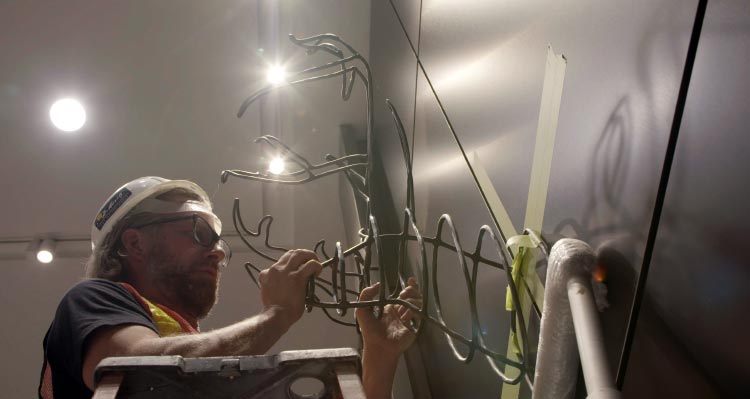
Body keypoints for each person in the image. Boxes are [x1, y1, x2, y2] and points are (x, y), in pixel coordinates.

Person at [38, 176, 421, 399]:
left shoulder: (201, 362)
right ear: (135, 243)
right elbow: (139, 370)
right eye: (199, 232)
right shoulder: (92, 300)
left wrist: (380, 356)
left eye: (218, 244)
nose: (217, 254)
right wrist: (276, 315)